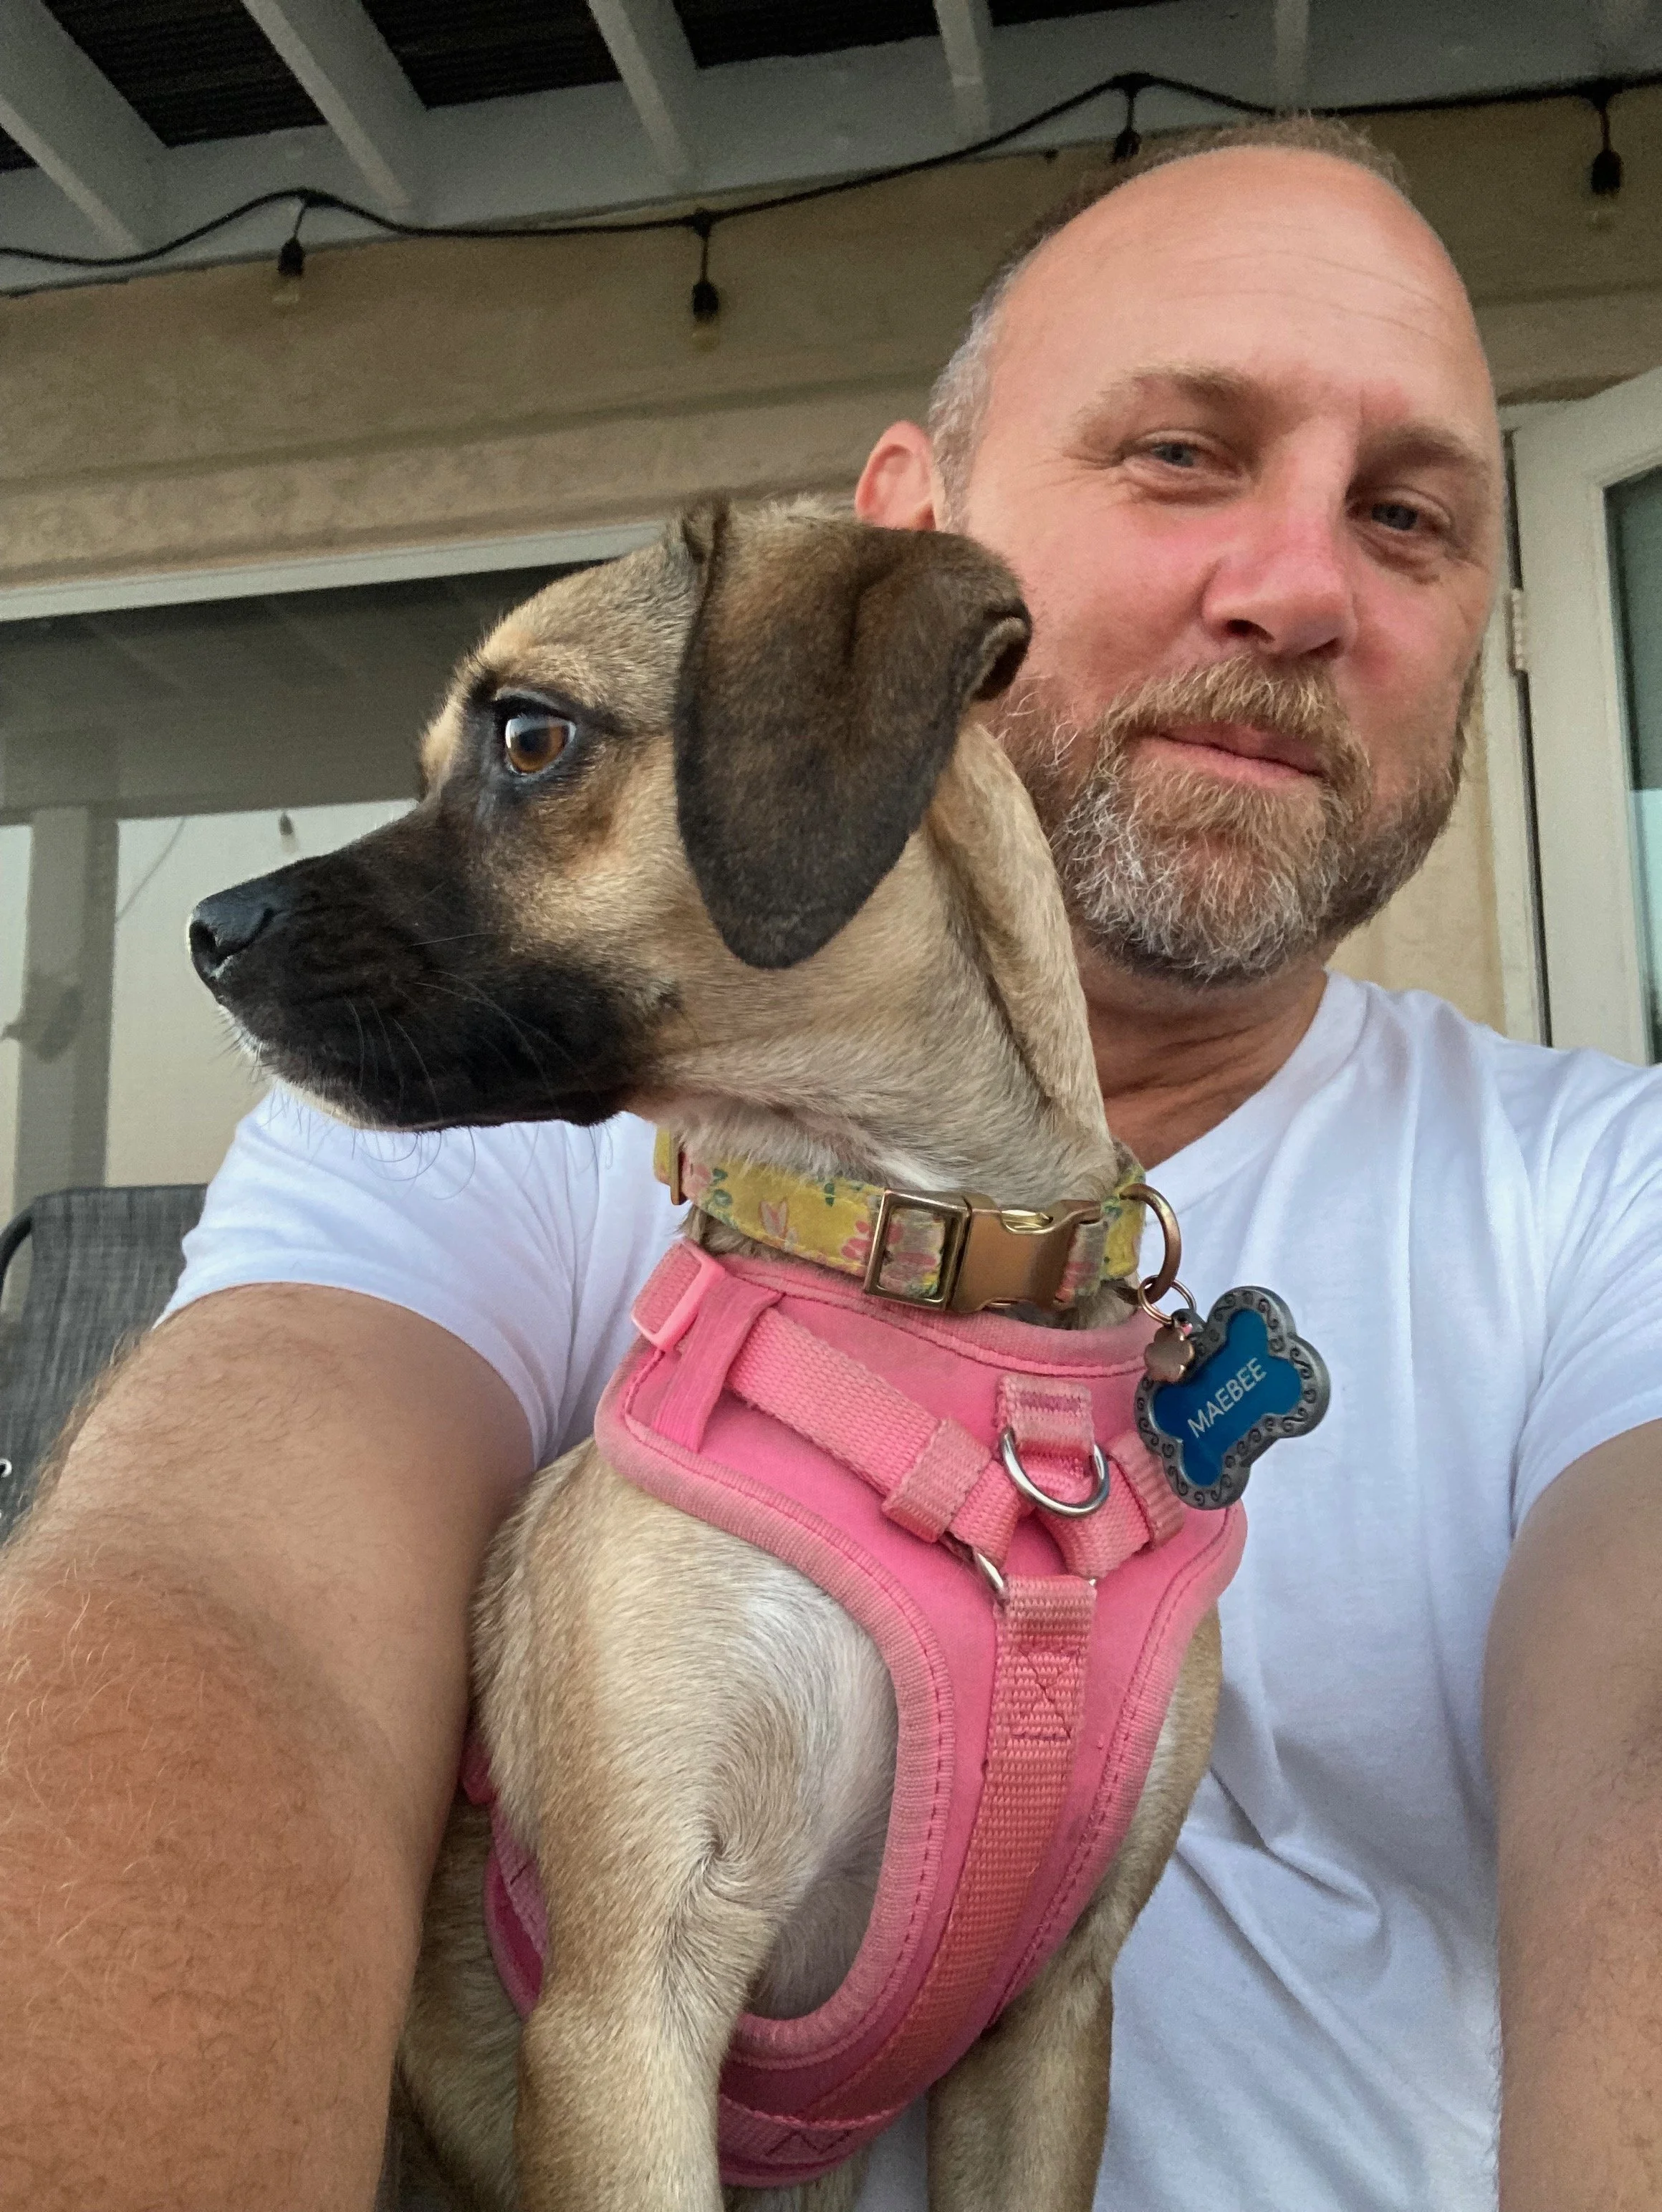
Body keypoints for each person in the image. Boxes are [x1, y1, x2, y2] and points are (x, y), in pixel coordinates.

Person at [5, 114, 1661, 2212]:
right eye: (1179, 452)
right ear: (902, 549)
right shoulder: (524, 1131)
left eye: (1409, 514)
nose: (1298, 584)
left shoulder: (1608, 1192)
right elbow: (215, 1614)